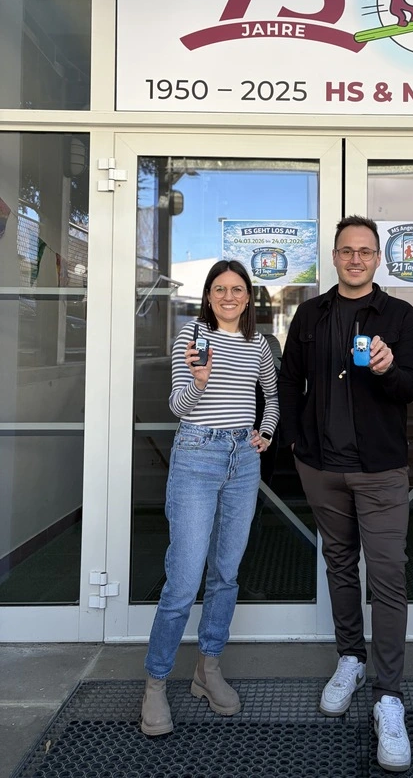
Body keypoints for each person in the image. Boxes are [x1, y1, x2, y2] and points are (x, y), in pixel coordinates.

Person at [279, 215, 413, 773]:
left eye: (365, 251)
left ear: (378, 258)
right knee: (339, 564)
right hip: (321, 466)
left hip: (380, 469)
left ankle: (389, 697)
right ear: (335, 257)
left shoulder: (399, 315)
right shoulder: (310, 314)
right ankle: (350, 659)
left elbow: (409, 387)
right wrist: (295, 441)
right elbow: (289, 380)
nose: (355, 259)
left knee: (387, 578)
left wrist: (387, 369)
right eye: (346, 250)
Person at [140, 259, 279, 736]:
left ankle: (207, 669)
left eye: (237, 289)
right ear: (207, 295)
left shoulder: (257, 344)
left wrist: (265, 432)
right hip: (197, 454)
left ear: (248, 297)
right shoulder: (192, 336)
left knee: (226, 574)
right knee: (183, 580)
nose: (228, 296)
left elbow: (272, 397)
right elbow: (178, 406)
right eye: (219, 288)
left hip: (243, 459)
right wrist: (199, 381)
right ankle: (156, 682)